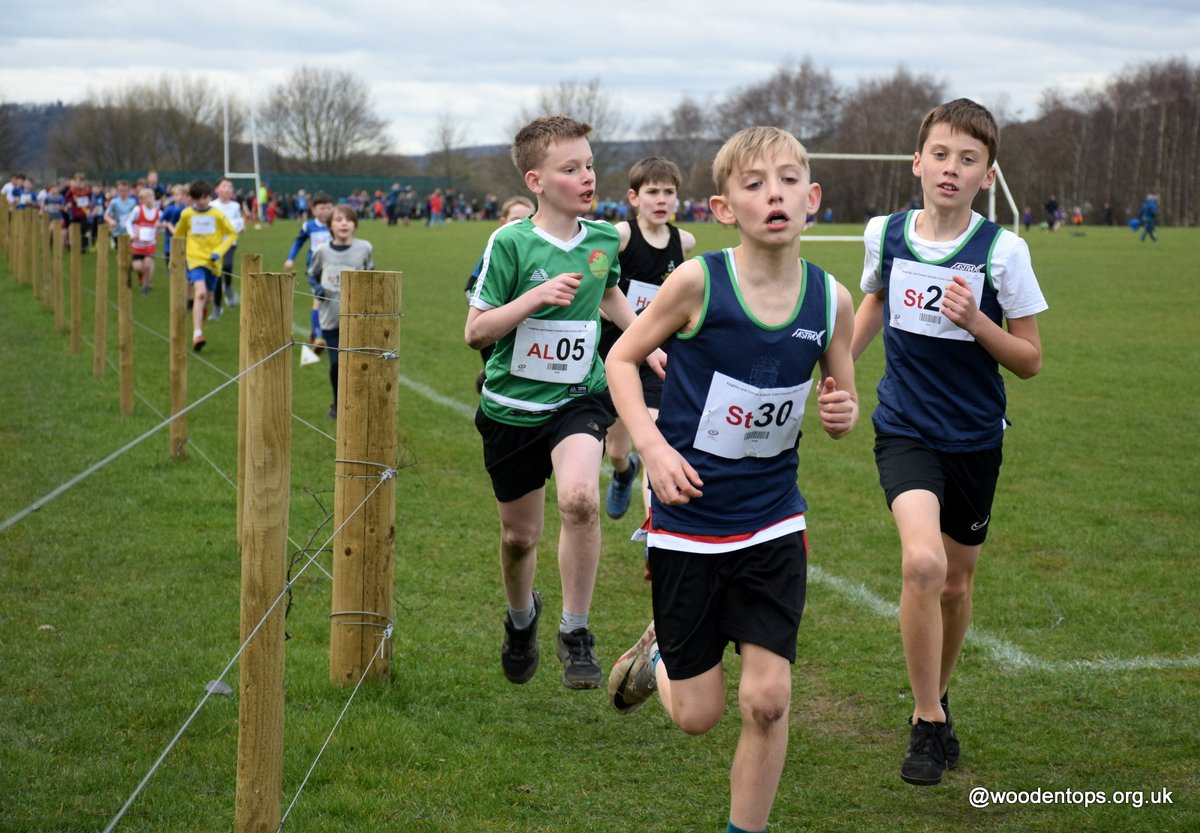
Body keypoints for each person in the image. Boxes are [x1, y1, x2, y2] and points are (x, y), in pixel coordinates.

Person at [605, 126, 858, 833]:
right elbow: (621, 360)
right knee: (697, 715)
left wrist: (841, 408)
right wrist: (651, 447)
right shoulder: (698, 283)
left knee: (768, 699)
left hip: (774, 518)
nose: (771, 193)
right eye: (753, 184)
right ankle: (660, 649)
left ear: (811, 199)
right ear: (723, 208)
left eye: (785, 180)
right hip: (688, 519)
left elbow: (843, 394)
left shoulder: (829, 298)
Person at [850, 99, 1048, 786]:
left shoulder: (1003, 250)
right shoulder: (887, 233)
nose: (950, 168)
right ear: (917, 162)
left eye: (967, 159)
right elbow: (873, 300)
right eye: (940, 154)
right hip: (904, 427)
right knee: (924, 564)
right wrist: (840, 371)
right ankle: (927, 718)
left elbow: (1028, 359)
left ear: (986, 175)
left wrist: (977, 323)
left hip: (974, 437)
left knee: (957, 583)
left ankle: (935, 696)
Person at [464, 114, 662, 690]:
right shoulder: (510, 242)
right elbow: (476, 333)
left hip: (578, 398)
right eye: (570, 168)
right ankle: (522, 618)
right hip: (511, 408)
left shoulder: (602, 240)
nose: (586, 177)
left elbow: (610, 294)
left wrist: (644, 342)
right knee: (518, 537)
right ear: (536, 180)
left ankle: (576, 632)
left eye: (590, 165)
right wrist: (534, 298)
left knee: (580, 501)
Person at [598, 157, 696, 548]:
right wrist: (635, 330)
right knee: (618, 449)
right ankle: (623, 473)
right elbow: (599, 294)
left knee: (655, 436)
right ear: (633, 197)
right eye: (652, 192)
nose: (661, 199)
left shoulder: (683, 243)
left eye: (668, 192)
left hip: (658, 358)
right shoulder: (619, 235)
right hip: (614, 353)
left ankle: (658, 537)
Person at [308, 205, 374, 420]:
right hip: (331, 317)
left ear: (355, 224)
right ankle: (337, 404)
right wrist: (317, 289)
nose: (344, 223)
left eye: (348, 219)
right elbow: (312, 274)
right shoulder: (322, 251)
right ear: (330, 226)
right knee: (337, 363)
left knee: (358, 364)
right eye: (338, 220)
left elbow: (372, 274)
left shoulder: (365, 248)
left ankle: (358, 404)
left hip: (358, 318)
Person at [464, 196, 535, 392]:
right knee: (498, 372)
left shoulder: (540, 249)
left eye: (528, 217)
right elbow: (470, 288)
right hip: (500, 327)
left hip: (531, 329)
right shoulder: (499, 249)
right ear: (503, 222)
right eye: (515, 219)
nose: (521, 223)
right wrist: (497, 312)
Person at [174, 180, 238, 352]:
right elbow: (178, 235)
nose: (202, 202)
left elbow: (232, 234)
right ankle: (197, 334)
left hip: (213, 262)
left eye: (205, 198)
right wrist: (179, 258)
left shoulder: (217, 215)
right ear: (192, 198)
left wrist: (219, 250)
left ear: (210, 197)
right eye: (198, 198)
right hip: (195, 260)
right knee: (200, 294)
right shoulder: (187, 214)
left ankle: (201, 310)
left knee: (207, 297)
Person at [285, 191, 336, 354]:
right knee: (318, 299)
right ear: (314, 210)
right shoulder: (309, 226)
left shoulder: (336, 225)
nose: (326, 211)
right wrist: (290, 258)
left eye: (329, 208)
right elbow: (298, 241)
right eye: (322, 208)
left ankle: (317, 332)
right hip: (314, 269)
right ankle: (319, 336)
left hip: (334, 268)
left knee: (331, 301)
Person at [212, 177, 246, 316]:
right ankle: (217, 307)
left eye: (230, 187)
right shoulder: (212, 205)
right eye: (224, 186)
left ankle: (229, 286)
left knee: (227, 265)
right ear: (217, 189)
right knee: (217, 274)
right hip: (215, 245)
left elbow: (239, 222)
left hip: (230, 243)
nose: (227, 189)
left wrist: (240, 226)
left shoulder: (235, 206)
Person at [126, 188, 162, 294]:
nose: (149, 200)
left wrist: (160, 226)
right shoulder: (138, 210)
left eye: (150, 197)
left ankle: (146, 286)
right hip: (137, 244)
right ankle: (141, 276)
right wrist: (132, 234)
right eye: (145, 198)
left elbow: (163, 225)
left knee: (148, 264)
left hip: (150, 244)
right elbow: (128, 222)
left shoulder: (159, 213)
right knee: (138, 266)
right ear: (141, 200)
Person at [104, 181, 137, 248]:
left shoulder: (133, 202)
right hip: (118, 231)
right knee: (120, 251)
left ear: (128, 191)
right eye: (121, 191)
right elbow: (106, 215)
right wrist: (111, 221)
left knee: (129, 251)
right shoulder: (114, 202)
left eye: (125, 191)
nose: (123, 193)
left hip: (129, 231)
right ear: (117, 191)